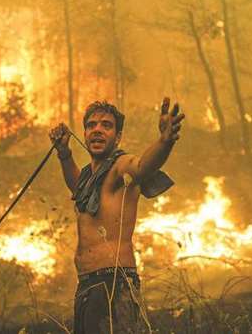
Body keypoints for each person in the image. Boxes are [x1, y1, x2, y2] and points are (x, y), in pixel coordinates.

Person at [49, 98, 185, 333]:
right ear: (84, 132)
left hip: (114, 283)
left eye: (106, 125)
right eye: (91, 125)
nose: (97, 130)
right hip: (87, 285)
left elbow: (142, 166)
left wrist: (165, 141)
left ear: (118, 136)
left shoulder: (120, 166)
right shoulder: (87, 177)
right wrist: (64, 153)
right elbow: (76, 188)